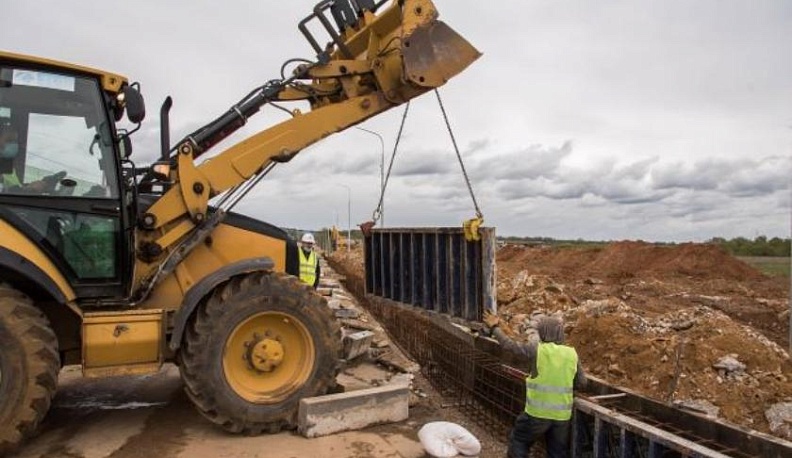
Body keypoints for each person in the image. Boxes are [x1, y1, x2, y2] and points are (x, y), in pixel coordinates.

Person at [483, 311, 586, 458]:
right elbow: (582, 382)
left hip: (537, 414)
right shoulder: (572, 354)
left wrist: (495, 329)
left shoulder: (537, 349)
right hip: (562, 417)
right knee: (557, 453)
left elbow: (509, 345)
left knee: (519, 441)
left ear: (543, 332)